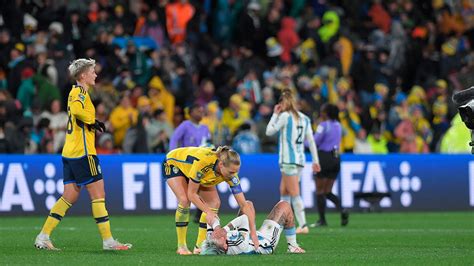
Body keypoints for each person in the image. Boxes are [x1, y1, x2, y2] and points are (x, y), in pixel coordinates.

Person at [34, 59, 132, 251]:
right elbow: (79, 111)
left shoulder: (79, 93)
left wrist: (92, 122)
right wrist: (93, 121)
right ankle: (108, 241)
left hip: (70, 152)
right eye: (92, 72)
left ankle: (43, 236)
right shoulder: (78, 92)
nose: (95, 74)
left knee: (69, 196)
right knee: (98, 195)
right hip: (83, 153)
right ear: (83, 76)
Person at [163, 145, 258, 255]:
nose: (233, 176)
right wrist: (208, 212)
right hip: (174, 163)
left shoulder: (231, 174)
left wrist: (254, 234)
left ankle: (199, 246)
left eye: (235, 172)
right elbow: (192, 194)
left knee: (214, 203)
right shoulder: (204, 163)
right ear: (221, 165)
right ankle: (181, 246)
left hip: (198, 174)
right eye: (231, 172)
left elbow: (244, 205)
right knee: (184, 200)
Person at [265, 88, 321, 234]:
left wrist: (274, 114)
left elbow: (269, 131)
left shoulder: (284, 116)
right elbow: (311, 141)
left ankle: (302, 225)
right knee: (284, 191)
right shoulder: (305, 118)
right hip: (300, 160)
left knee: (294, 192)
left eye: (280, 102)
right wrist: (315, 161)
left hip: (288, 160)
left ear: (284, 103)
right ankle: (284, 222)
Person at [200, 200, 305, 255]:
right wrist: (224, 229)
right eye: (219, 238)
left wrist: (216, 226)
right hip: (264, 241)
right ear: (225, 247)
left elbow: (210, 220)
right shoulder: (239, 245)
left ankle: (246, 230)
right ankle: (293, 246)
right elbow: (244, 218)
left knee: (247, 204)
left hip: (247, 236)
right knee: (285, 205)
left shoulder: (212, 243)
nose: (217, 236)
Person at [168, 103, 211, 225]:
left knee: (203, 188)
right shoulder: (185, 125)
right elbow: (174, 139)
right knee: (188, 192)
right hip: (187, 163)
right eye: (198, 110)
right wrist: (172, 154)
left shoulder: (205, 128)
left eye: (202, 111)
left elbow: (208, 143)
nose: (201, 113)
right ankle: (185, 214)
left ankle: (200, 213)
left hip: (202, 163)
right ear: (191, 112)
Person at [310, 103, 349, 227]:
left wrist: (301, 142)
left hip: (324, 157)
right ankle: (342, 209)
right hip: (336, 158)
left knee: (320, 191)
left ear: (326, 113)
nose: (321, 113)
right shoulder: (339, 125)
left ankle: (322, 220)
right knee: (328, 191)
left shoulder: (323, 125)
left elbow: (315, 141)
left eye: (322, 111)